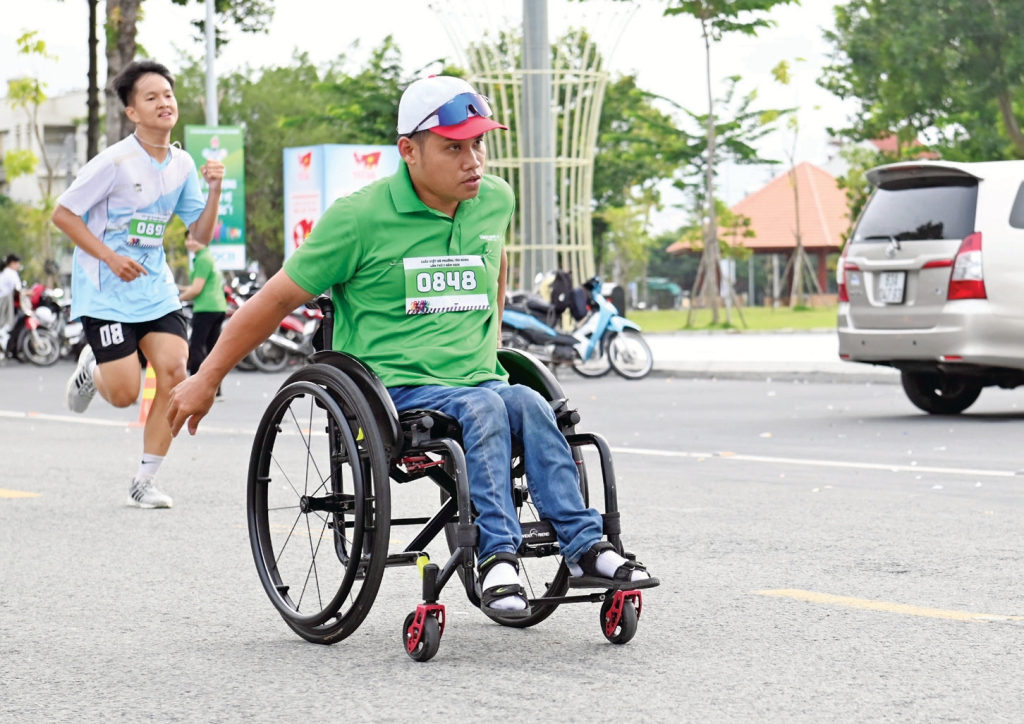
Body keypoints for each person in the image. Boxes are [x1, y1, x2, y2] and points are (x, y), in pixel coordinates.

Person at [167, 76, 655, 617]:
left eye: (479, 144)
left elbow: (495, 266)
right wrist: (205, 377)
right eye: (454, 147)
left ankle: (587, 547)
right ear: (409, 150)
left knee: (530, 402)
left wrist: (487, 347)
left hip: (476, 381)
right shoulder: (359, 218)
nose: (473, 161)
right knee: (488, 404)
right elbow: (273, 300)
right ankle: (497, 559)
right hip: (393, 391)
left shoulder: (493, 200)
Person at [52, 60, 225, 509]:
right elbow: (63, 214)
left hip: (153, 288)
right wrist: (109, 255)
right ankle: (93, 369)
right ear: (132, 112)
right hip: (105, 290)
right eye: (151, 97)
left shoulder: (183, 163)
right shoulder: (113, 162)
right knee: (126, 392)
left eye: (167, 94)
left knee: (174, 371)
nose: (164, 102)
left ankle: (145, 481)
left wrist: (215, 191)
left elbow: (199, 236)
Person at [178, 230, 226, 400]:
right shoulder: (205, 256)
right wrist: (180, 289)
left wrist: (176, 299)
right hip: (218, 307)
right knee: (213, 350)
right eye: (188, 239)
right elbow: (197, 287)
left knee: (196, 347)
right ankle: (216, 391)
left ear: (205, 240)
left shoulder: (202, 259)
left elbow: (196, 290)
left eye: (195, 239)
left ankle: (196, 389)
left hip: (206, 308)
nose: (191, 242)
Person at [0, 253, 24, 354]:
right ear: (12, 263)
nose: (18, 265)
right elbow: (19, 290)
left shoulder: (5, 272)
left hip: (5, 302)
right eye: (17, 263)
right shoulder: (11, 273)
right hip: (5, 303)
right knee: (7, 325)